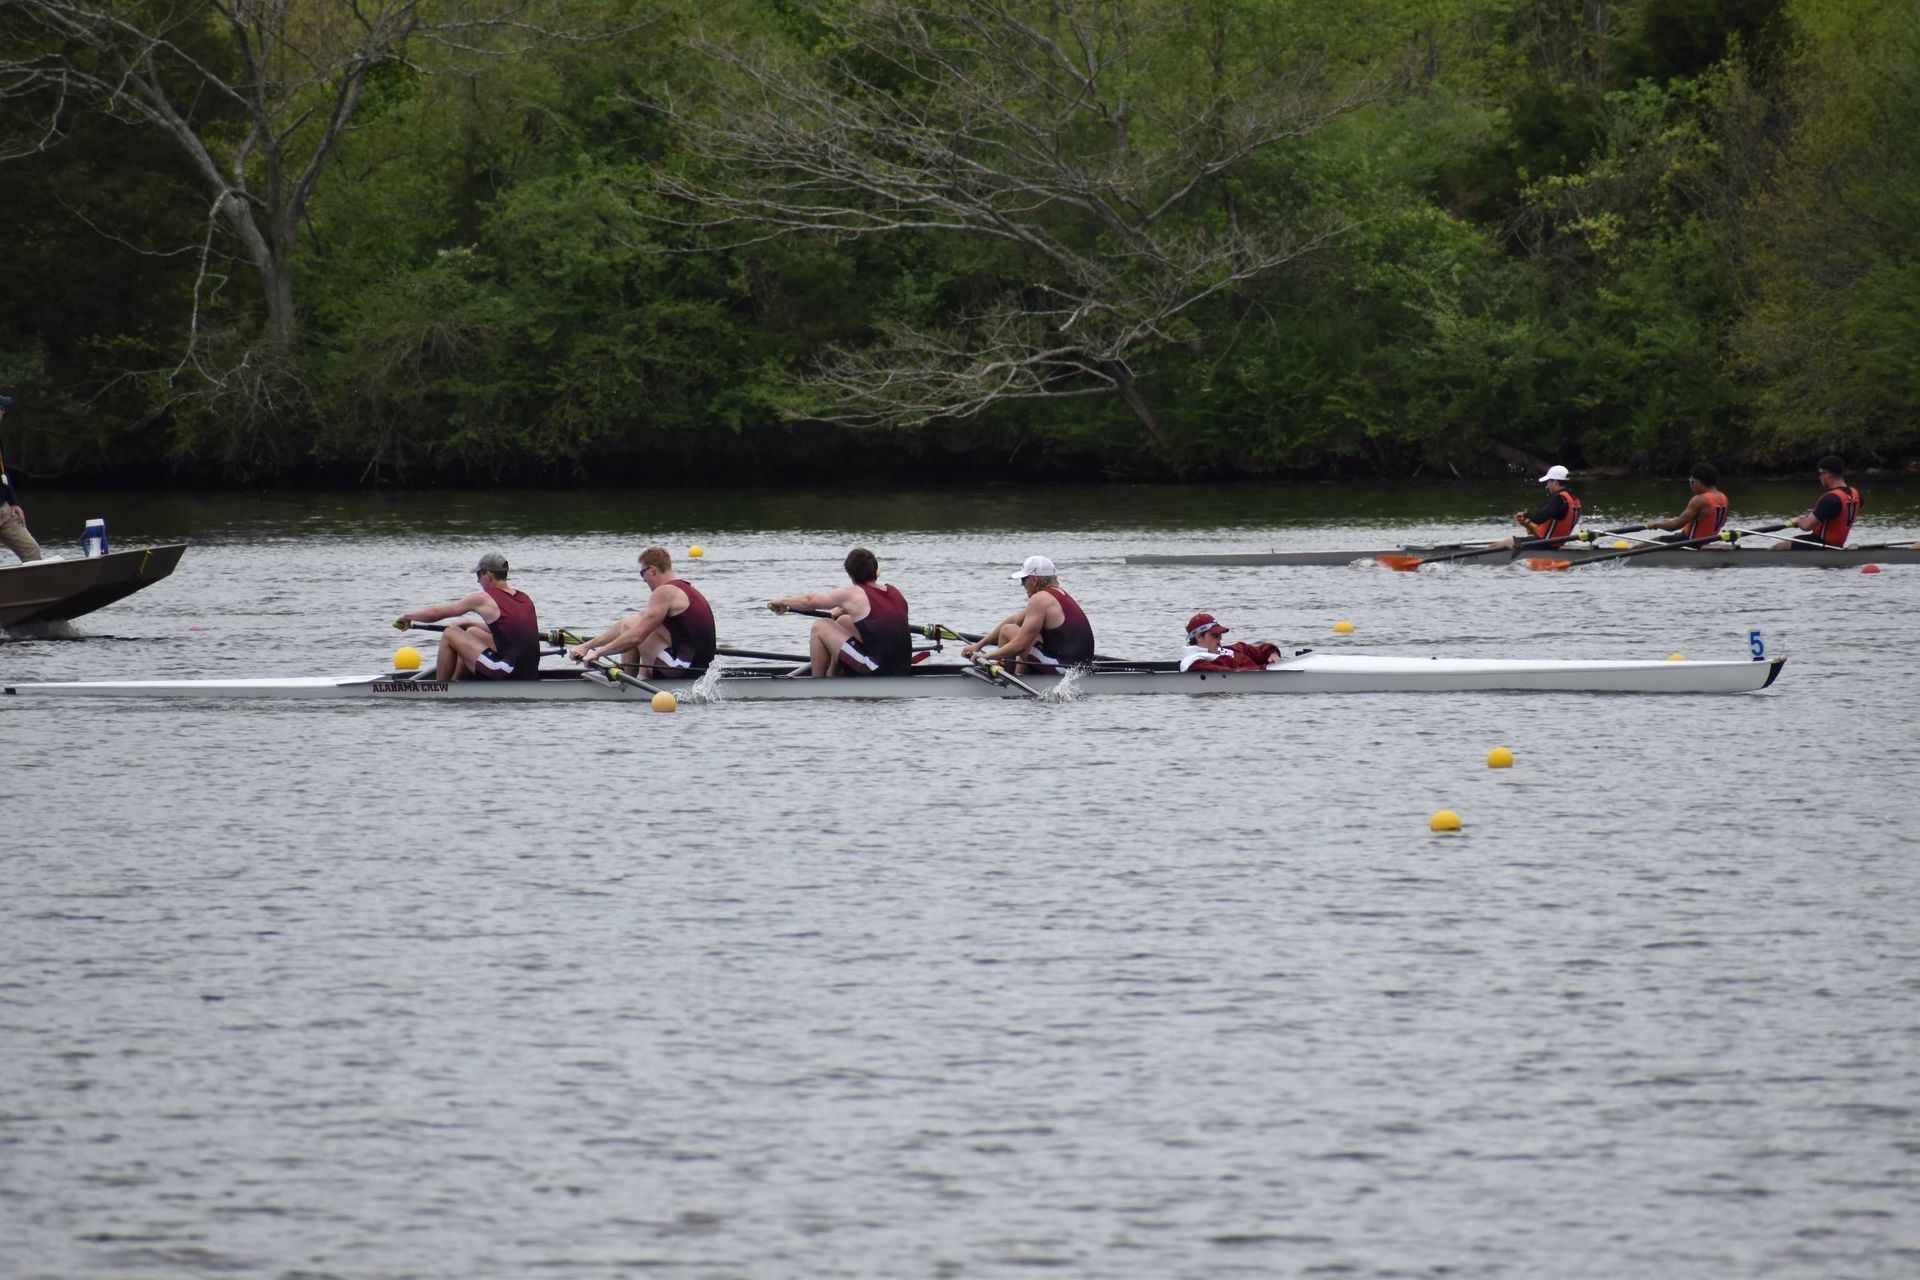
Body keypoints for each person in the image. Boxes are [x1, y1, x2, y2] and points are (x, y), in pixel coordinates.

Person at [567, 546, 716, 678]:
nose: (643, 580)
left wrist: (598, 653)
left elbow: (635, 637)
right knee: (635, 621)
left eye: (642, 573)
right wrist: (587, 646)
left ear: (652, 570)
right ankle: (641, 674)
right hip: (701, 669)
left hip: (681, 669)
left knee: (633, 628)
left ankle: (627, 679)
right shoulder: (685, 589)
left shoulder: (663, 592)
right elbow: (627, 623)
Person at [395, 552, 541, 681]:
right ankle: (458, 682)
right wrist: (469, 624)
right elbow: (509, 632)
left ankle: (440, 689)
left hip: (507, 672)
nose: (478, 581)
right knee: (472, 632)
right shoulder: (524, 598)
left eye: (478, 575)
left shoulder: (483, 598)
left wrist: (407, 616)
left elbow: (437, 613)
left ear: (488, 576)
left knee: (450, 633)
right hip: (529, 672)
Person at [768, 547, 912, 677]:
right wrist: (843, 609)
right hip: (903, 667)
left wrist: (782, 601)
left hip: (876, 669)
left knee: (820, 626)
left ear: (851, 576)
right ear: (875, 571)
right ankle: (833, 674)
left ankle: (816, 686)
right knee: (843, 621)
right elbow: (876, 612)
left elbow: (809, 601)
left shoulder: (852, 594)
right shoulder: (894, 591)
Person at [962, 555, 1096, 671]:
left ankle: (1008, 683)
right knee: (1022, 631)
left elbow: (1019, 645)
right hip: (1078, 666)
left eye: (1023, 580)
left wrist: (986, 656)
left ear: (1034, 580)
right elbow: (1013, 620)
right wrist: (978, 645)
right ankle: (1021, 675)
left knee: (1008, 631)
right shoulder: (1055, 595)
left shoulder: (1039, 599)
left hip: (1064, 669)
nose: (1022, 585)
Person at [1773, 455, 1862, 551]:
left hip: (1821, 544)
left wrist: (1798, 521)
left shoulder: (1831, 498)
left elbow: (1806, 526)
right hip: (1837, 544)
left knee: (1780, 547)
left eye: (1820, 473)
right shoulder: (1855, 494)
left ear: (1828, 474)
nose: (1819, 477)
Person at [1492, 464, 1582, 550]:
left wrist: (1525, 514)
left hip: (1546, 543)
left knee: (1498, 545)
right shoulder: (1574, 500)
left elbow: (1540, 518)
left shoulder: (1559, 499)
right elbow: (1554, 526)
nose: (1547, 486)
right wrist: (1528, 523)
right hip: (1558, 542)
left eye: (1548, 482)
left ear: (1555, 482)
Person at [0, 397, 45, 564]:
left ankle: (36, 589)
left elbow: (3, 475)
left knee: (32, 551)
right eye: (1, 408)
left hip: (4, 509)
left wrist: (14, 502)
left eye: (3, 409)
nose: (2, 413)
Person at [1643, 462, 1730, 544]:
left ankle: (1630, 553)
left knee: (1648, 544)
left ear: (1700, 483)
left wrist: (1656, 524)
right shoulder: (1723, 497)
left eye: (1691, 482)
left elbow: (1675, 525)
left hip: (1690, 542)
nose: (1690, 486)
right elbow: (1722, 523)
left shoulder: (1700, 499)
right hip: (1708, 541)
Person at [1179, 614, 1288, 672]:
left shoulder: (1230, 650)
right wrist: (1265, 669)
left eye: (1220, 634)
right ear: (1199, 637)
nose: (1220, 639)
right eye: (1215, 635)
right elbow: (1231, 673)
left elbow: (1259, 651)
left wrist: (1272, 653)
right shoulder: (1195, 663)